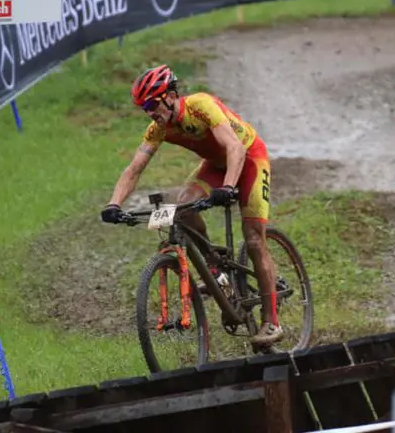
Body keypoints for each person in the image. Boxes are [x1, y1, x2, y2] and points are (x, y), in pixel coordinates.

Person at [100, 64, 283, 346]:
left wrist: (228, 187)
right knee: (182, 208)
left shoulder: (201, 106)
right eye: (144, 108)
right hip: (216, 165)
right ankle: (215, 268)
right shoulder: (158, 129)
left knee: (254, 239)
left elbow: (234, 147)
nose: (149, 112)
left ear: (171, 96)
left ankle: (271, 322)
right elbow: (134, 169)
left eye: (152, 104)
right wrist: (114, 204)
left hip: (248, 158)